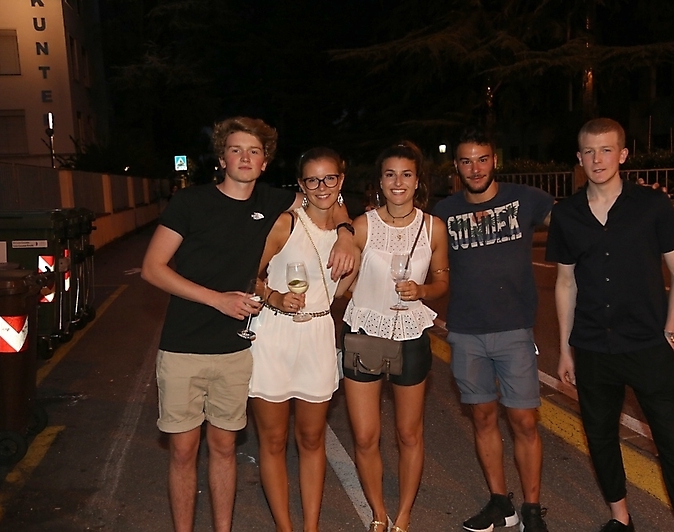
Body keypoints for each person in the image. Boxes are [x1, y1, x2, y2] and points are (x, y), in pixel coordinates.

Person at [141, 116, 355, 532]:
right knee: (183, 452)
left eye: (254, 151)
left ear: (264, 161)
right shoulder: (190, 202)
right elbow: (152, 268)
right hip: (184, 345)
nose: (245, 157)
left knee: (225, 449)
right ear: (221, 158)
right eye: (236, 150)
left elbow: (327, 196)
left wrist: (346, 232)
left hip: (238, 349)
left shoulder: (274, 201)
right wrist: (217, 299)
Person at [546, 118, 674, 532]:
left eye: (606, 150)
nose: (598, 159)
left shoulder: (651, 205)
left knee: (672, 444)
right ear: (579, 158)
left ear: (623, 154)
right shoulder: (566, 214)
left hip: (649, 345)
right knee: (600, 438)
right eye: (589, 152)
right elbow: (565, 283)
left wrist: (671, 333)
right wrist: (565, 349)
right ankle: (620, 518)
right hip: (593, 348)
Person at [432, 126, 552, 532]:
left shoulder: (526, 199)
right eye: (466, 161)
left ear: (494, 160)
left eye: (482, 159)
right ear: (456, 166)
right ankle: (501, 503)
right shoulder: (444, 212)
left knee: (524, 422)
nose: (475, 168)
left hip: (514, 330)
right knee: (483, 419)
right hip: (466, 331)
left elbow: (578, 222)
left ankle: (532, 508)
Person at [341, 141, 450, 532]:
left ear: (417, 181)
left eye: (406, 174)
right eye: (390, 174)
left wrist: (421, 291)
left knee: (409, 433)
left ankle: (402, 517)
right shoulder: (362, 225)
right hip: (364, 332)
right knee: (365, 436)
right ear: (380, 181)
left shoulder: (433, 227)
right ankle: (378, 513)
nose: (398, 182)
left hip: (410, 334)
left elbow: (442, 281)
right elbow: (343, 283)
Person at [249, 147, 359, 532]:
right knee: (273, 440)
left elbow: (340, 291)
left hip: (317, 335)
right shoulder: (286, 224)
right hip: (274, 335)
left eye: (330, 178)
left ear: (341, 180)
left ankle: (311, 527)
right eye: (313, 179)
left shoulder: (349, 234)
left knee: (312, 439)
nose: (322, 187)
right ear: (301, 184)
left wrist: (349, 242)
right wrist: (273, 296)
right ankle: (285, 528)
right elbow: (246, 273)